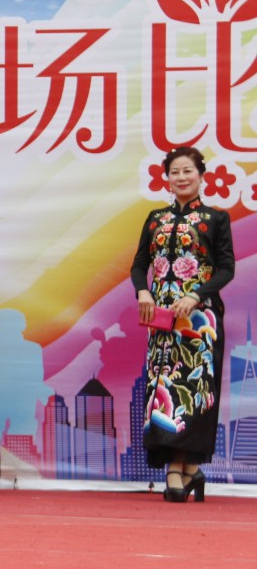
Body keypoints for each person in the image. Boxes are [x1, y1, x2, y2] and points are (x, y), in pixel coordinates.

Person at [132, 146, 234, 502]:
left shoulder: (215, 218)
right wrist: (143, 292)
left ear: (201, 176)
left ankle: (179, 468)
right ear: (167, 179)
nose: (181, 177)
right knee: (164, 390)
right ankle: (188, 469)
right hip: (162, 321)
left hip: (199, 322)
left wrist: (197, 295)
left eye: (188, 170)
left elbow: (226, 268)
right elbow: (139, 265)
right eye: (174, 172)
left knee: (193, 392)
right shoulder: (155, 218)